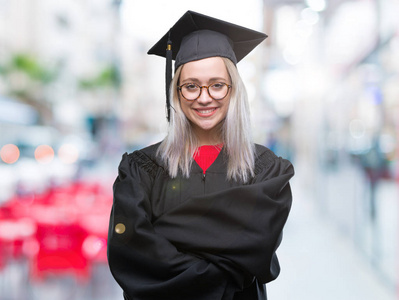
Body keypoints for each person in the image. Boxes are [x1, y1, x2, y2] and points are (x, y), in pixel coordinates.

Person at [107, 10, 294, 300]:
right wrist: (228, 265)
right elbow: (130, 251)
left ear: (234, 91)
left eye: (217, 85)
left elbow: (259, 246)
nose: (204, 97)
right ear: (177, 92)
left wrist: (164, 233)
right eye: (191, 86)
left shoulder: (266, 169)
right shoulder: (141, 169)